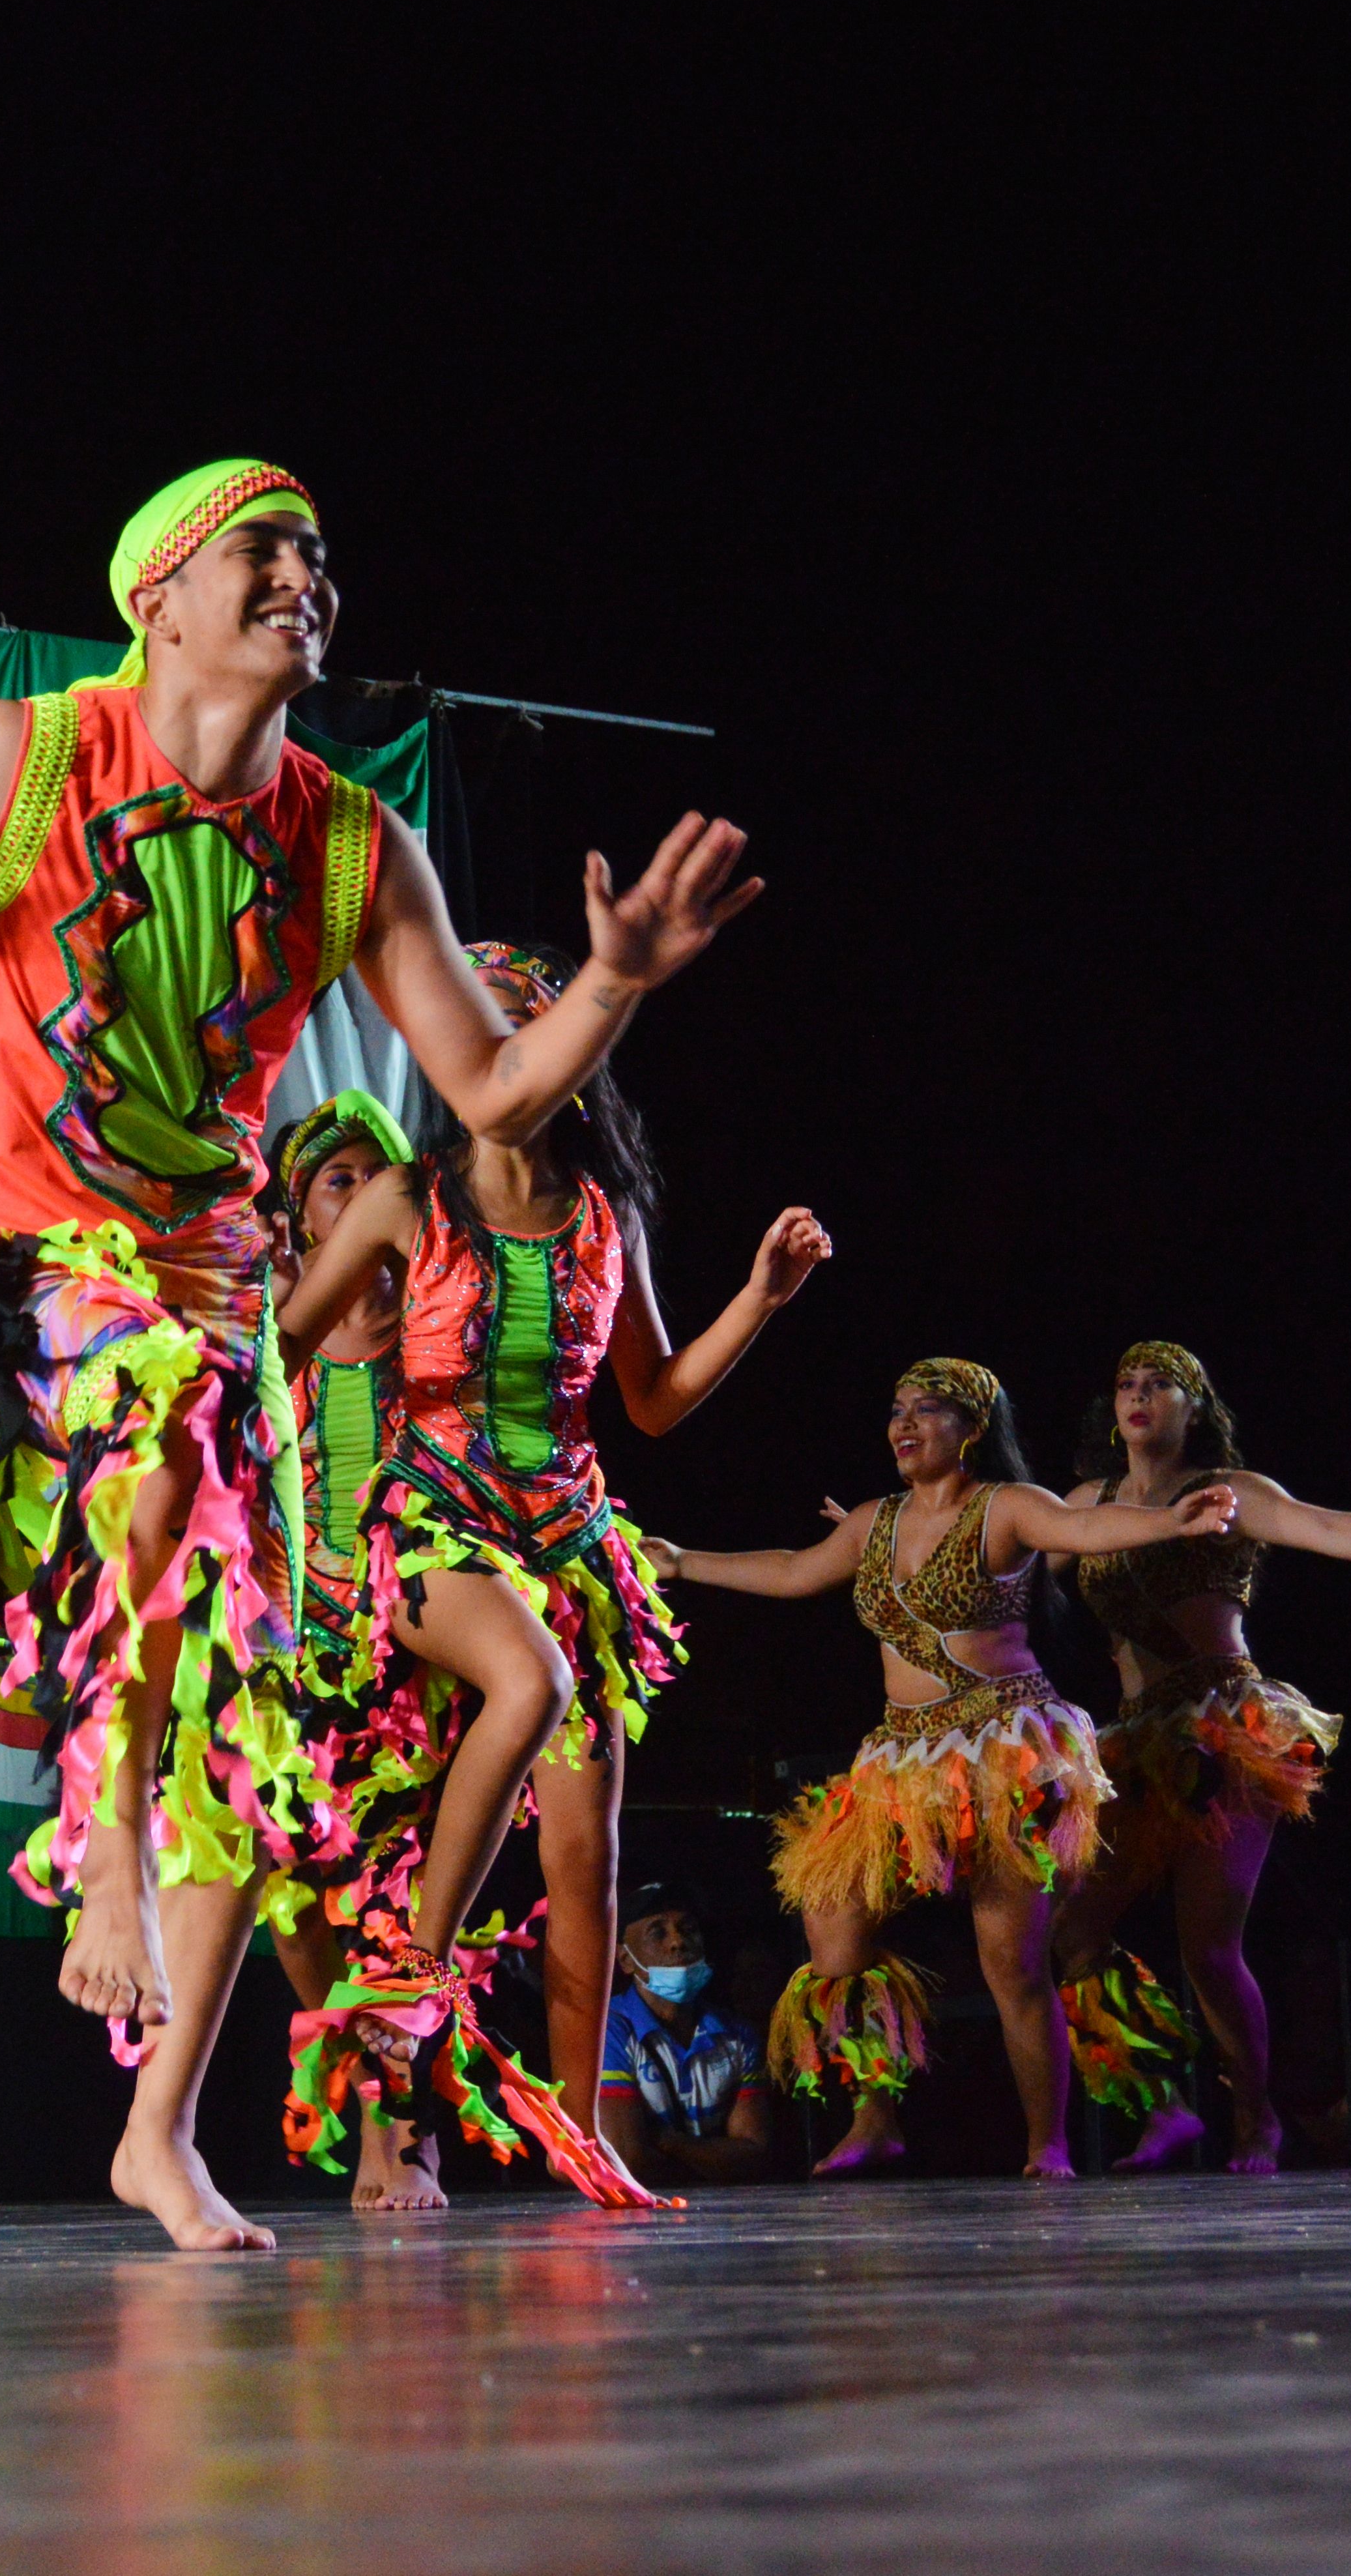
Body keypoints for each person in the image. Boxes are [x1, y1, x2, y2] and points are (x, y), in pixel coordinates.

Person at [0, 459, 761, 2250]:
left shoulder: (347, 839)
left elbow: (490, 1088)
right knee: (146, 1454)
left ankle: (156, 2129)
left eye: (321, 560)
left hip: (193, 1277)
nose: (304, 579)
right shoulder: (24, 755)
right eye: (265, 551)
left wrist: (613, 981)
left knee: (244, 1736)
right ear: (157, 593)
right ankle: (93, 1851)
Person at [277, 939, 829, 2205]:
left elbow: (650, 1397)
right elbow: (279, 1350)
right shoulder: (405, 1200)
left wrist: (757, 1297)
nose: (512, 1049)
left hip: (567, 1541)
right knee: (523, 1685)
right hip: (427, 1533)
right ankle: (408, 1983)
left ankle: (579, 2131)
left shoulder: (601, 1211)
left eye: (532, 1024)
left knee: (586, 1857)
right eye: (484, 1027)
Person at [652, 1360, 1233, 2178]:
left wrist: (1171, 1523)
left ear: (972, 1429)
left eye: (928, 1410)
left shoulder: (1006, 1507)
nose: (904, 1423)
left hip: (1004, 1751)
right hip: (900, 1755)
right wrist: (681, 1560)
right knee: (833, 1930)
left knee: (1013, 1963)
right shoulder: (872, 1521)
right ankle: (877, 2115)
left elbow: (1087, 1530)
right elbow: (792, 1569)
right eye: (896, 1410)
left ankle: (1048, 2145)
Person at [1047, 1341, 1351, 2174]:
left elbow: (1328, 1525)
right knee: (1072, 1927)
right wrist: (906, 1539)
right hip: (1131, 1739)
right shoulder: (1088, 1502)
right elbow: (1003, 1556)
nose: (1138, 1395)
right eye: (1126, 1383)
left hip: (1222, 1730)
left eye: (1159, 1384)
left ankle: (1252, 2119)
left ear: (1194, 1408)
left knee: (1207, 1947)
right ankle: (1160, 2102)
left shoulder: (1230, 1493)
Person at [255, 1093, 451, 2212]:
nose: (371, 1199)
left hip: (410, 1639)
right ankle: (358, 2089)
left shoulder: (436, 1306)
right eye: (341, 1182)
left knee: (395, 1904)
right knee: (296, 1901)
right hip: (295, 1646)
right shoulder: (273, 1320)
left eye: (380, 1180)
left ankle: (404, 2132)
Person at [594, 1888, 772, 2186]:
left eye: (688, 1929)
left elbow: (757, 2155)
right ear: (625, 1960)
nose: (678, 1942)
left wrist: (670, 2143)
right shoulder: (608, 2030)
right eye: (658, 1933)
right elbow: (625, 2161)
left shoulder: (737, 2035)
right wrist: (715, 2161)